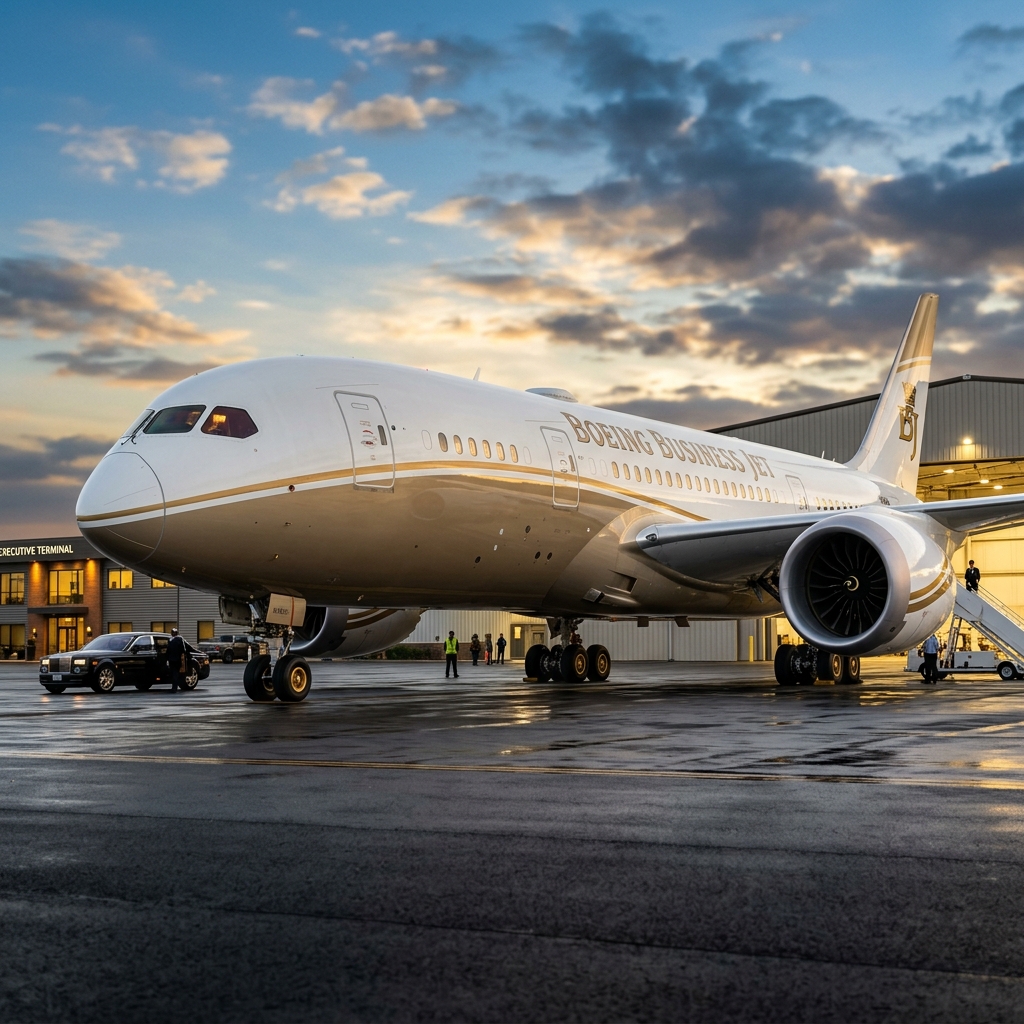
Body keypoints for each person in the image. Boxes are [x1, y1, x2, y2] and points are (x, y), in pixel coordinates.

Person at [167, 627, 186, 692]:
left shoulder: (170, 640)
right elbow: (183, 650)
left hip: (171, 659)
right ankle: (175, 687)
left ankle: (174, 687)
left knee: (173, 673)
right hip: (177, 659)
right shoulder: (180, 640)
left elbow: (168, 651)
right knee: (176, 673)